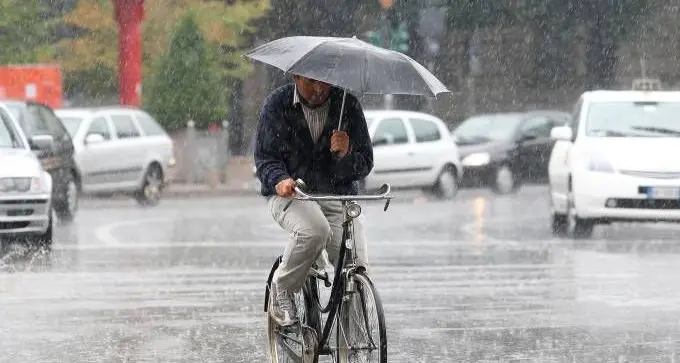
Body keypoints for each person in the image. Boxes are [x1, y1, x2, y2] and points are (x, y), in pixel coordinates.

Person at [254, 75, 374, 327]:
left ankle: (352, 345)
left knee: (356, 265)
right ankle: (282, 288)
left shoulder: (347, 105)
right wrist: (280, 179)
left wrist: (347, 153)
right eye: (311, 81)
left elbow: (364, 165)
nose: (319, 89)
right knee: (315, 230)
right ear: (296, 76)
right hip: (293, 194)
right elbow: (265, 158)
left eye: (325, 82)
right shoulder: (276, 105)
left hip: (337, 195)